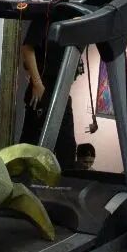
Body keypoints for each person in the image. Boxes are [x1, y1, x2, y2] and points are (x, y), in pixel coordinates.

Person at [19, 19, 77, 170]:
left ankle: (65, 180)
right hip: (43, 89)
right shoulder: (45, 16)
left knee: (67, 148)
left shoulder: (73, 19)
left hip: (61, 90)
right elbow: (27, 48)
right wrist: (37, 83)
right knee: (32, 145)